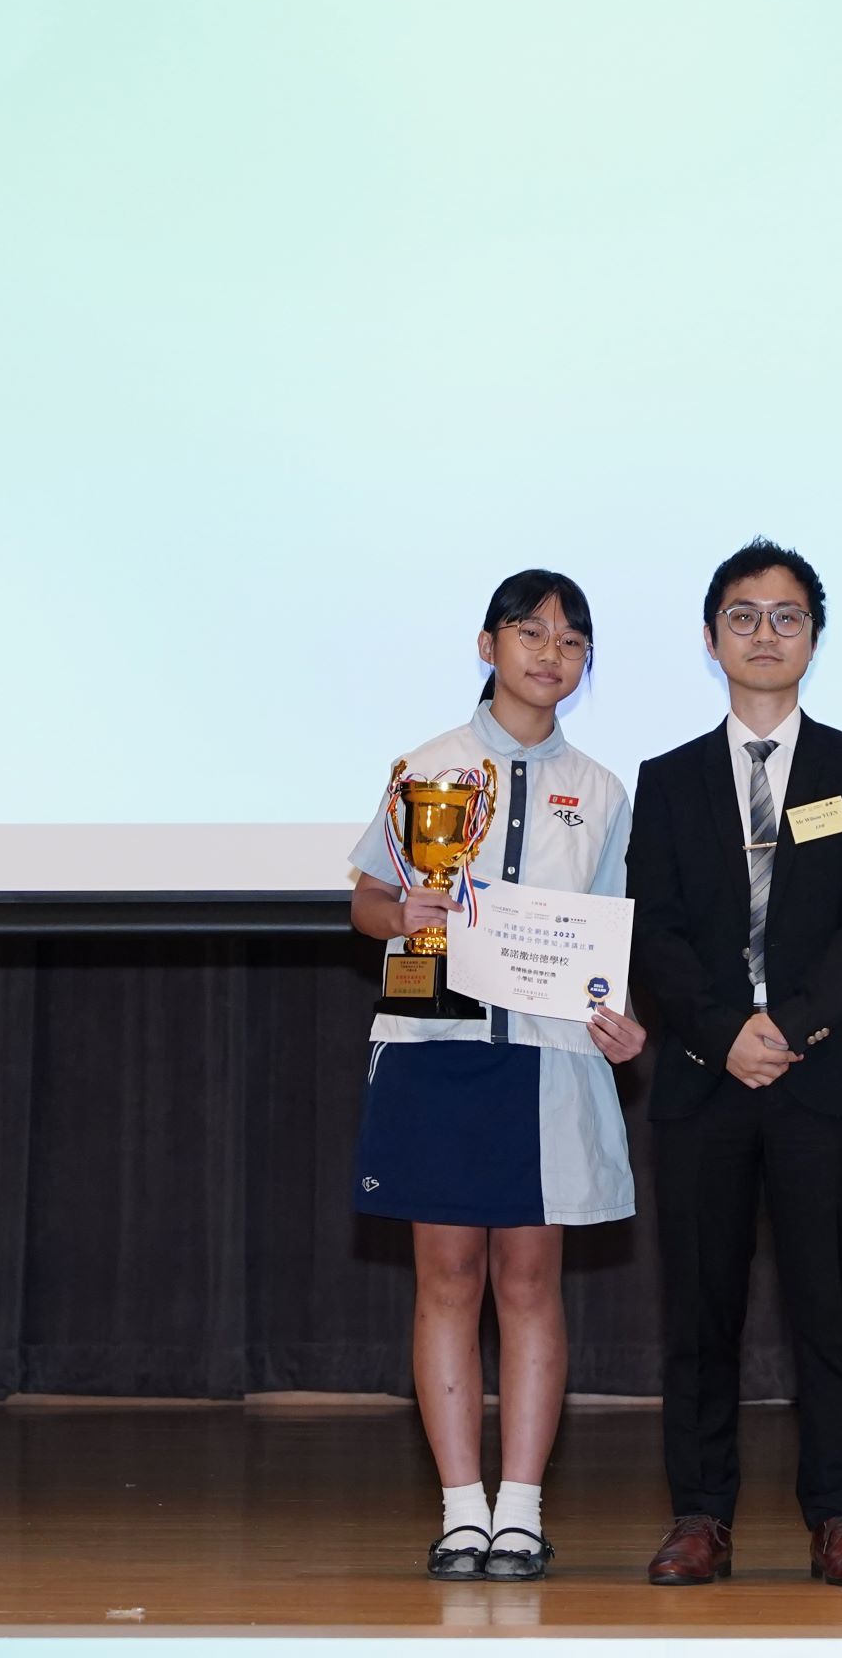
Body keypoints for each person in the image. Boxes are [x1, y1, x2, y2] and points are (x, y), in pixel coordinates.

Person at [345, 568, 650, 1583]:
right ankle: (460, 1508)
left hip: (549, 1057)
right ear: (488, 646)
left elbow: (608, 936)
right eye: (529, 632)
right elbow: (368, 902)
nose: (549, 652)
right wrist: (408, 917)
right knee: (447, 1277)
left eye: (571, 640)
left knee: (529, 1281)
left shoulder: (603, 790)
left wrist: (618, 1015)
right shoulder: (425, 767)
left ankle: (521, 1507)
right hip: (436, 1049)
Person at [626, 538, 842, 1589]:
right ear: (712, 639)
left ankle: (838, 1512)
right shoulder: (667, 780)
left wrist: (788, 1024)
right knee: (700, 1313)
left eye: (786, 616)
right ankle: (700, 1512)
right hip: (704, 1080)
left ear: (814, 638)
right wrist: (720, 1029)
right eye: (743, 616)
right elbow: (652, 924)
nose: (764, 634)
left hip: (820, 1078)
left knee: (828, 1311)